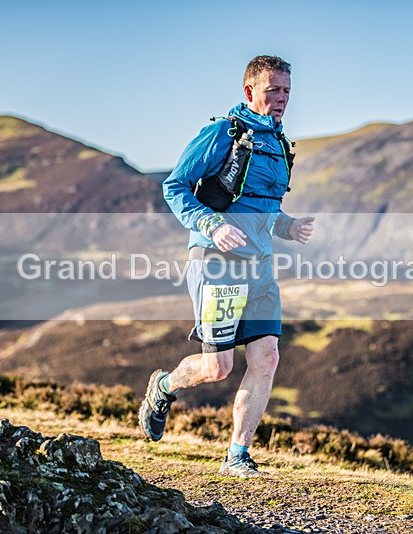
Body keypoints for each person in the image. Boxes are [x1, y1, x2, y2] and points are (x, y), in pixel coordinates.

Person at [139, 55, 315, 477]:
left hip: (260, 268)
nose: (282, 98)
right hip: (218, 263)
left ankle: (238, 455)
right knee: (218, 368)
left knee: (267, 356)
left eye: (287, 90)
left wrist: (288, 226)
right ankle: (163, 386)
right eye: (273, 89)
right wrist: (212, 225)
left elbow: (264, 210)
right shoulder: (223, 133)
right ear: (250, 91)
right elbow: (174, 186)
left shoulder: (279, 144)